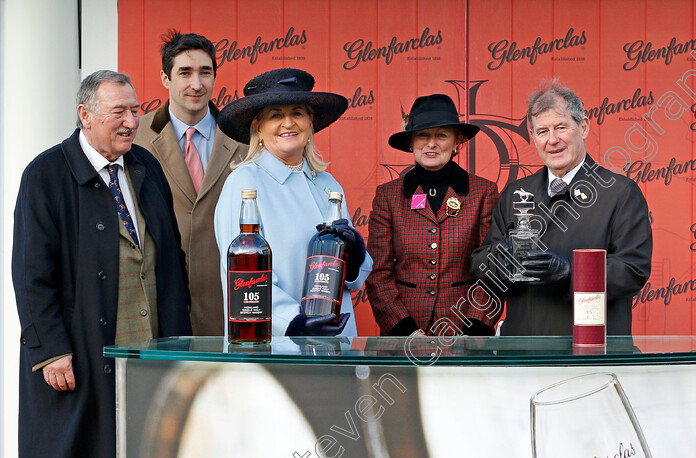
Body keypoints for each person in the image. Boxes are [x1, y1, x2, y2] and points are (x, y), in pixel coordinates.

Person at [12, 70, 191, 458]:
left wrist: (180, 344)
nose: (132, 120)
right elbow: (31, 273)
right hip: (80, 355)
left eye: (135, 109)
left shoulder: (146, 166)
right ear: (85, 116)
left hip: (149, 354)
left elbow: (168, 258)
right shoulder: (45, 174)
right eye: (119, 112)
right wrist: (50, 349)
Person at [470, 80, 652, 336]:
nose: (552, 140)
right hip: (523, 352)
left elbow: (633, 270)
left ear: (583, 127)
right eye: (542, 131)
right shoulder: (514, 193)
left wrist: (569, 272)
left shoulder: (620, 193)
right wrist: (497, 261)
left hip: (590, 351)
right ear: (533, 138)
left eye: (561, 127)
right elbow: (480, 262)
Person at [215, 68, 372, 347]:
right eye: (276, 115)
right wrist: (294, 323)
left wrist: (355, 256)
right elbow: (242, 281)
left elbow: (355, 281)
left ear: (311, 122)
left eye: (297, 113)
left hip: (337, 347)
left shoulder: (327, 183)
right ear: (258, 127)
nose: (288, 122)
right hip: (279, 349)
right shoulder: (243, 183)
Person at [135, 30, 248, 336]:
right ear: (165, 78)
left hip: (229, 298)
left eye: (205, 73)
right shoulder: (136, 137)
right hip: (159, 297)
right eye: (185, 72)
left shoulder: (246, 138)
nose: (196, 84)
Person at [367, 94, 501, 337]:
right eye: (423, 135)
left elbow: (492, 270)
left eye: (441, 135)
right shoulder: (387, 196)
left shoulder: (484, 192)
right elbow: (378, 274)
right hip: (404, 333)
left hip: (464, 331)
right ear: (411, 141)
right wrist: (405, 330)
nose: (431, 143)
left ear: (457, 141)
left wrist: (473, 332)